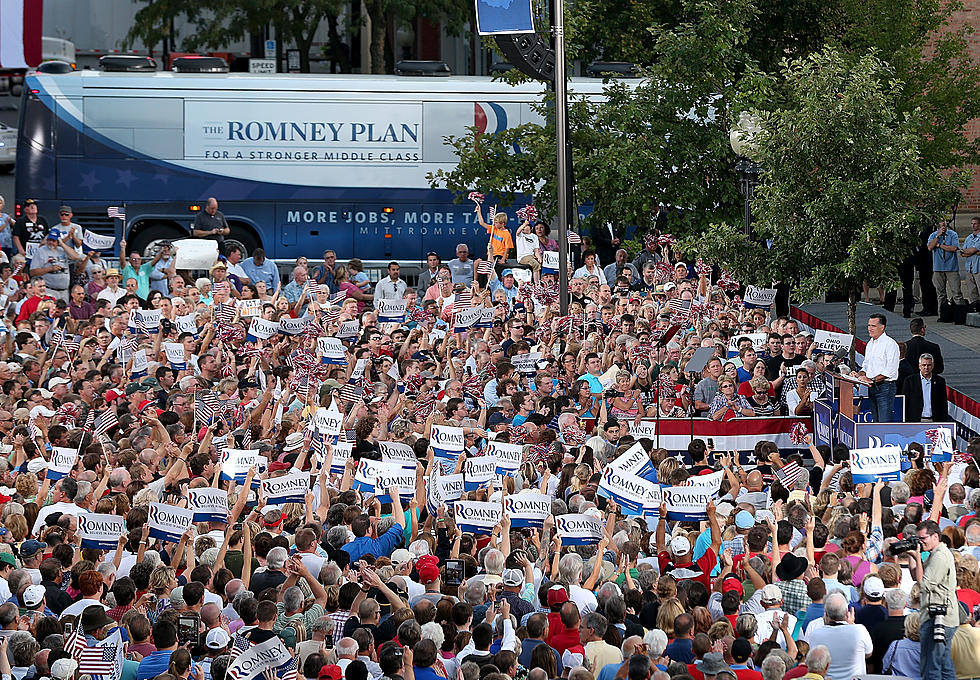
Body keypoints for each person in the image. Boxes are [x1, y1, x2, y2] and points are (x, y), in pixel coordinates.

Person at [913, 519, 959, 680]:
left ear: (935, 537)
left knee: (931, 667)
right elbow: (917, 575)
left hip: (938, 618)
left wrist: (918, 558)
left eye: (923, 539)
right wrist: (914, 556)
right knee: (945, 666)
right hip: (944, 617)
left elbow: (923, 585)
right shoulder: (937, 554)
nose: (921, 542)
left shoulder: (939, 557)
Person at [858, 313, 899, 422]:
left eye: (873, 326)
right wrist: (860, 374)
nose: (869, 329)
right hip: (871, 388)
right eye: (869, 325)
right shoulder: (870, 344)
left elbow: (890, 371)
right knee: (875, 422)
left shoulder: (890, 344)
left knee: (884, 422)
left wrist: (871, 379)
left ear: (882, 327)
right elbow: (866, 365)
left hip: (885, 387)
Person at [929, 220, 966, 320]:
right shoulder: (933, 235)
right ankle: (942, 315)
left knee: (956, 292)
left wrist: (940, 246)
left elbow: (954, 248)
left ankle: (960, 316)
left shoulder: (953, 234)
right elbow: (930, 247)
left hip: (951, 267)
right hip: (938, 267)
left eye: (945, 222)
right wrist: (938, 236)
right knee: (940, 293)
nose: (943, 224)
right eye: (941, 222)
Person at [900, 353, 948, 422]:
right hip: (915, 421)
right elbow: (905, 403)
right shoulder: (910, 381)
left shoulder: (940, 381)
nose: (926, 368)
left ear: (932, 366)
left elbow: (943, 403)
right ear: (919, 366)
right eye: (924, 365)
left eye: (929, 365)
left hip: (934, 421)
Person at [962, 215, 980, 313]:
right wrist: (973, 252)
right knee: (971, 291)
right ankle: (975, 310)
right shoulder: (969, 238)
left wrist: (971, 251)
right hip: (969, 268)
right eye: (972, 223)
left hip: (978, 268)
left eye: (975, 224)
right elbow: (962, 253)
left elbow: (972, 250)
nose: (973, 225)